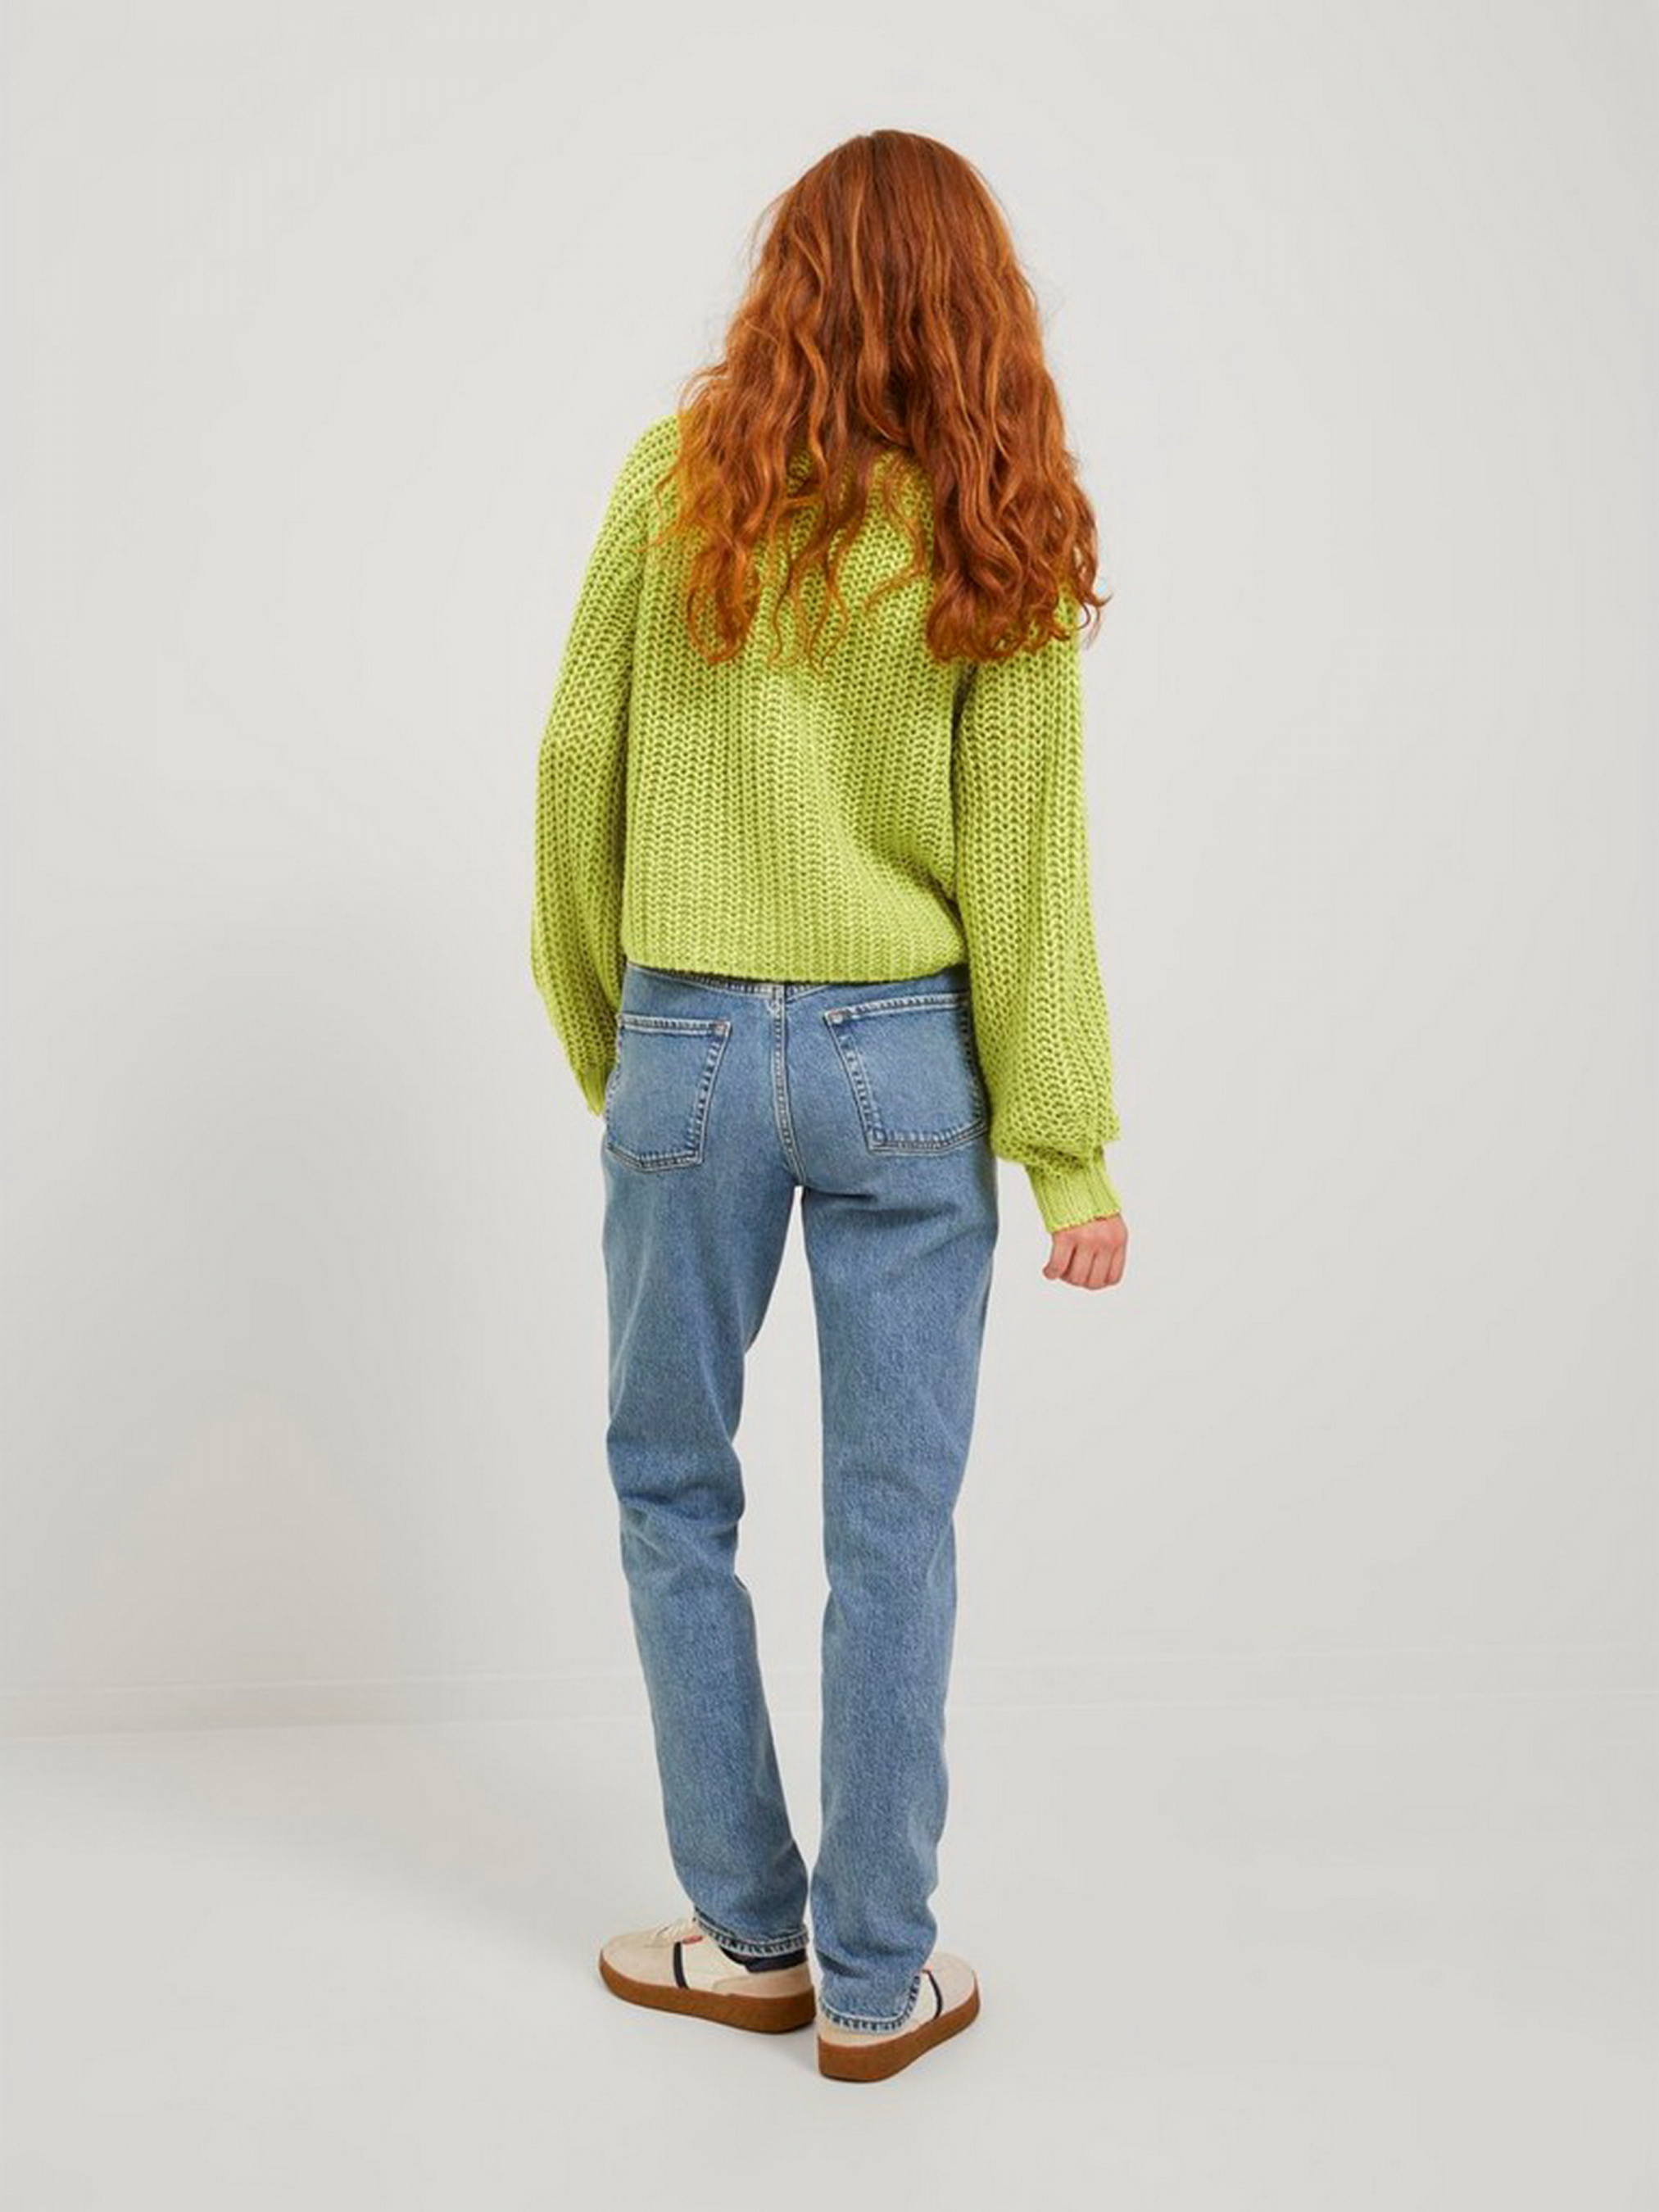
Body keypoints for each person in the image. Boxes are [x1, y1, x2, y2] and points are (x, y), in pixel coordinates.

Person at [529, 128, 1129, 2083]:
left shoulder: (674, 483)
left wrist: (618, 1043)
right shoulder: (995, 520)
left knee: (667, 1484)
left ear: (784, 276)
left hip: (690, 1044)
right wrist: (1066, 1153)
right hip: (905, 1068)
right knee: (892, 1530)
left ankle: (748, 1936)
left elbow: (574, 767)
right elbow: (1025, 866)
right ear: (980, 306)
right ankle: (873, 1985)